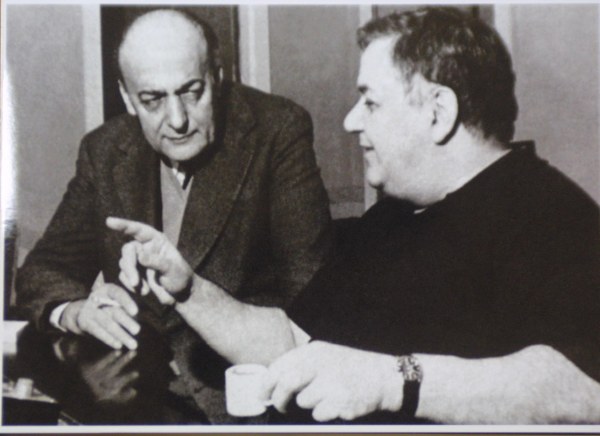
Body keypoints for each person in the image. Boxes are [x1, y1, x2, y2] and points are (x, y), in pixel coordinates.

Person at [107, 7, 600, 424]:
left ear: (438, 111)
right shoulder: (391, 219)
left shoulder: (553, 216)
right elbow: (292, 341)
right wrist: (188, 291)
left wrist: (390, 381)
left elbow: (585, 389)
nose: (350, 120)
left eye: (370, 101)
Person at [16, 9, 331, 356]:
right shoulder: (103, 149)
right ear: (127, 98)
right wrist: (77, 312)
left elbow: (313, 298)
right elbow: (43, 269)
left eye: (191, 92)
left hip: (238, 376)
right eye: (152, 100)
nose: (178, 120)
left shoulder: (278, 130)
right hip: (133, 373)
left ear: (217, 76)